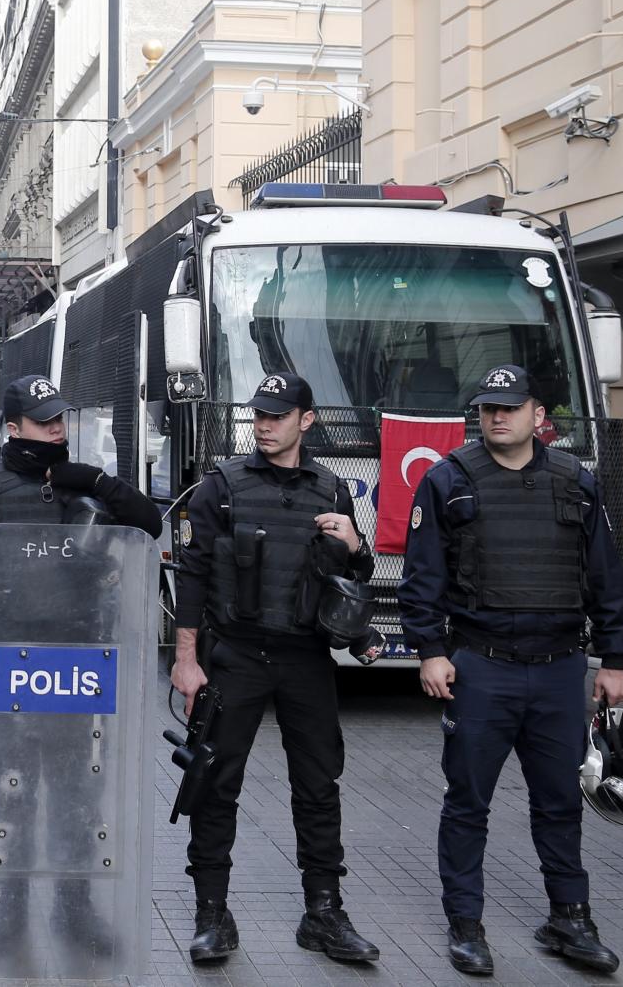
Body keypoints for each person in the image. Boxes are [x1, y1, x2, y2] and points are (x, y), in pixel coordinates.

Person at [397, 363, 623, 977]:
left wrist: (615, 660)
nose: (497, 416)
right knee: (468, 801)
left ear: (539, 415)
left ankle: (570, 918)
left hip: (560, 670)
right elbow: (423, 578)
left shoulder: (575, 482)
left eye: (510, 406)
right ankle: (466, 923)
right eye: (487, 407)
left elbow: (607, 576)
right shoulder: (448, 481)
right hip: (483, 668)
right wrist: (430, 650)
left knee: (560, 801)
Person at [0, 374, 162, 952]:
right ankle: (8, 908)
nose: (57, 430)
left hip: (79, 665)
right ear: (12, 428)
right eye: (44, 421)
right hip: (12, 665)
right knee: (11, 793)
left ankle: (75, 906)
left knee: (77, 794)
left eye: (61, 419)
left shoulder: (80, 484)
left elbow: (149, 525)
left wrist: (94, 483)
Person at [170, 372, 378, 966]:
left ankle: (324, 912)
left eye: (278, 415)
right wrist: (186, 661)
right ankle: (211, 911)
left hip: (306, 657)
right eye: (259, 414)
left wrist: (356, 547)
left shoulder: (334, 491)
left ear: (306, 421)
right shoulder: (221, 488)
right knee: (213, 782)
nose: (264, 424)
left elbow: (349, 586)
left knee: (317, 785)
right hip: (234, 654)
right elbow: (191, 576)